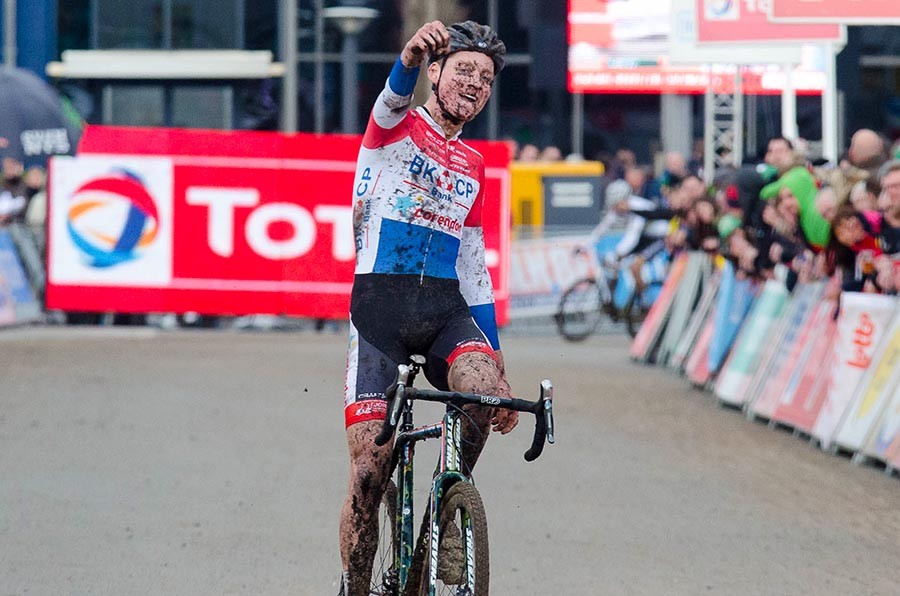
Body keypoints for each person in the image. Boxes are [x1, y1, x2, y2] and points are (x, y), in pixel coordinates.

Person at [339, 21, 515, 596]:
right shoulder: (392, 131)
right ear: (435, 74)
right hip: (380, 310)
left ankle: (450, 507)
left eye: (485, 78)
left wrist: (496, 354)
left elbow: (473, 267)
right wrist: (409, 57)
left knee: (483, 390)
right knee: (371, 470)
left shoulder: (474, 165)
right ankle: (357, 585)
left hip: (444, 307)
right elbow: (392, 100)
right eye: (463, 69)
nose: (474, 83)